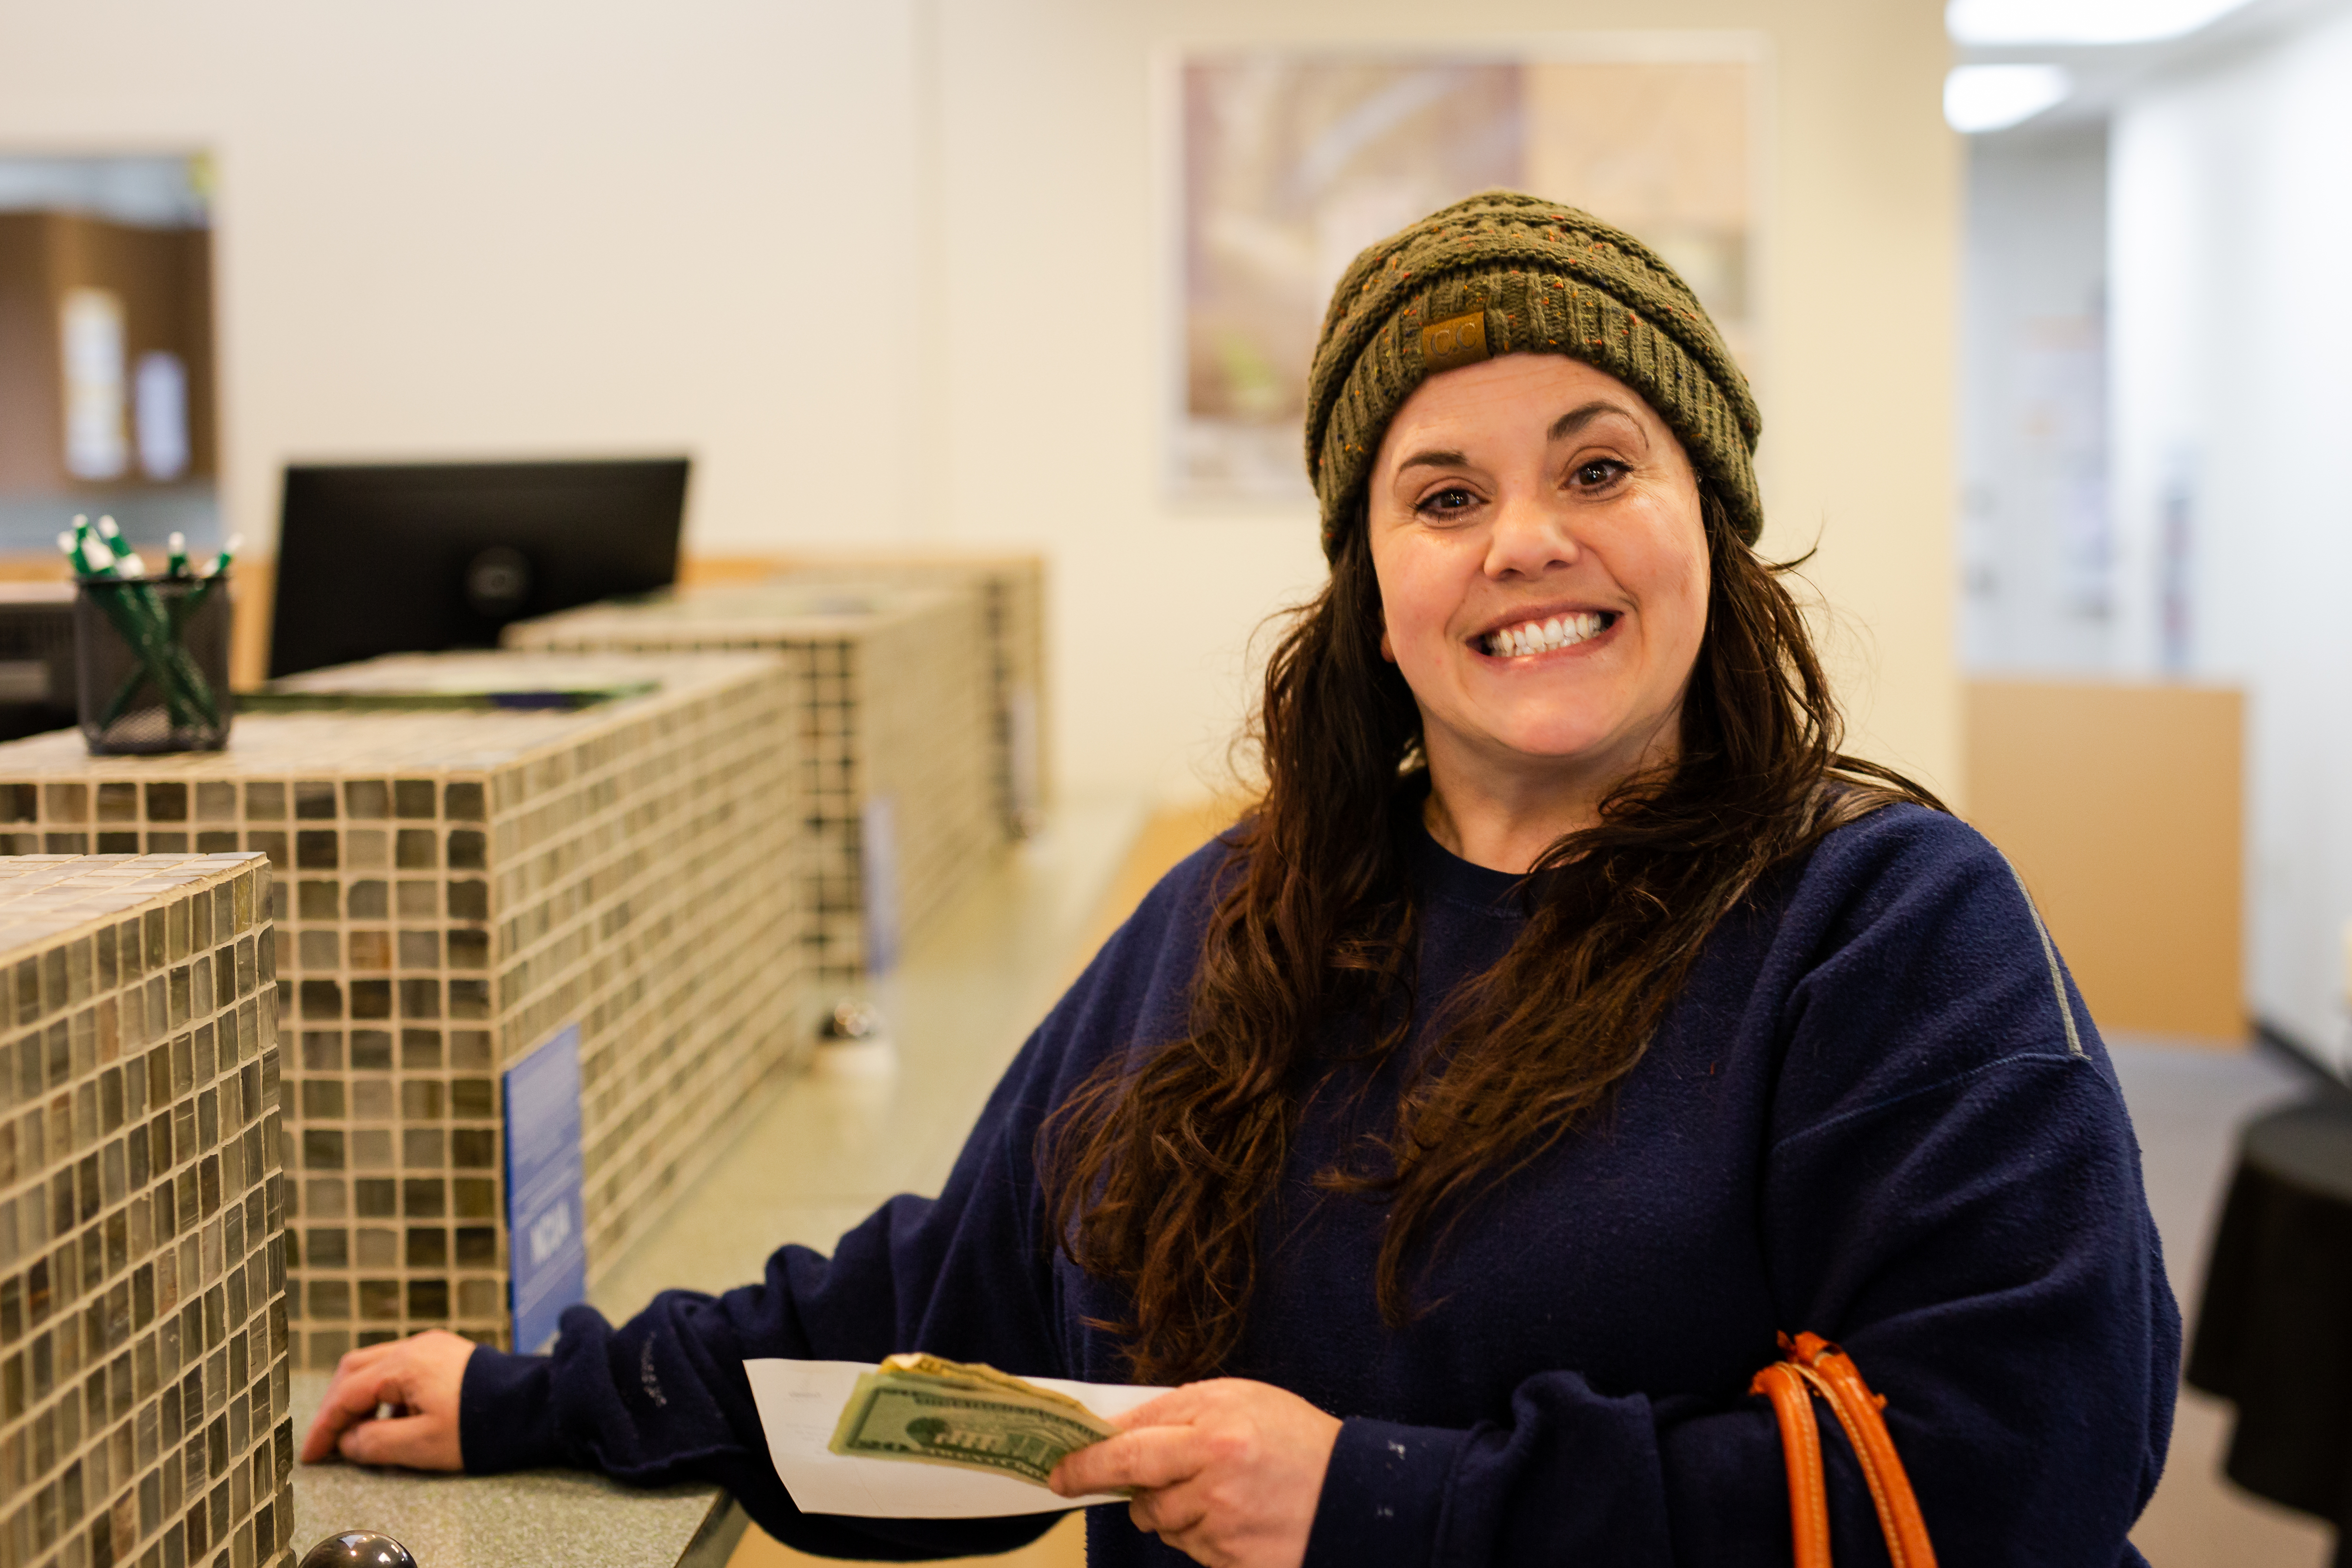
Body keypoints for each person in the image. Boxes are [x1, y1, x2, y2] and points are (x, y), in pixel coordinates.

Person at [299, 192, 2179, 1567]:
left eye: (1601, 465)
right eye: (1443, 494)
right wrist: (534, 1393)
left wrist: (1373, 1499)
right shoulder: (1240, 921)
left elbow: (2013, 1456)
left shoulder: (1886, 920)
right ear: (1372, 584)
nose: (1528, 538)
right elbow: (949, 1308)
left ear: (1712, 524)